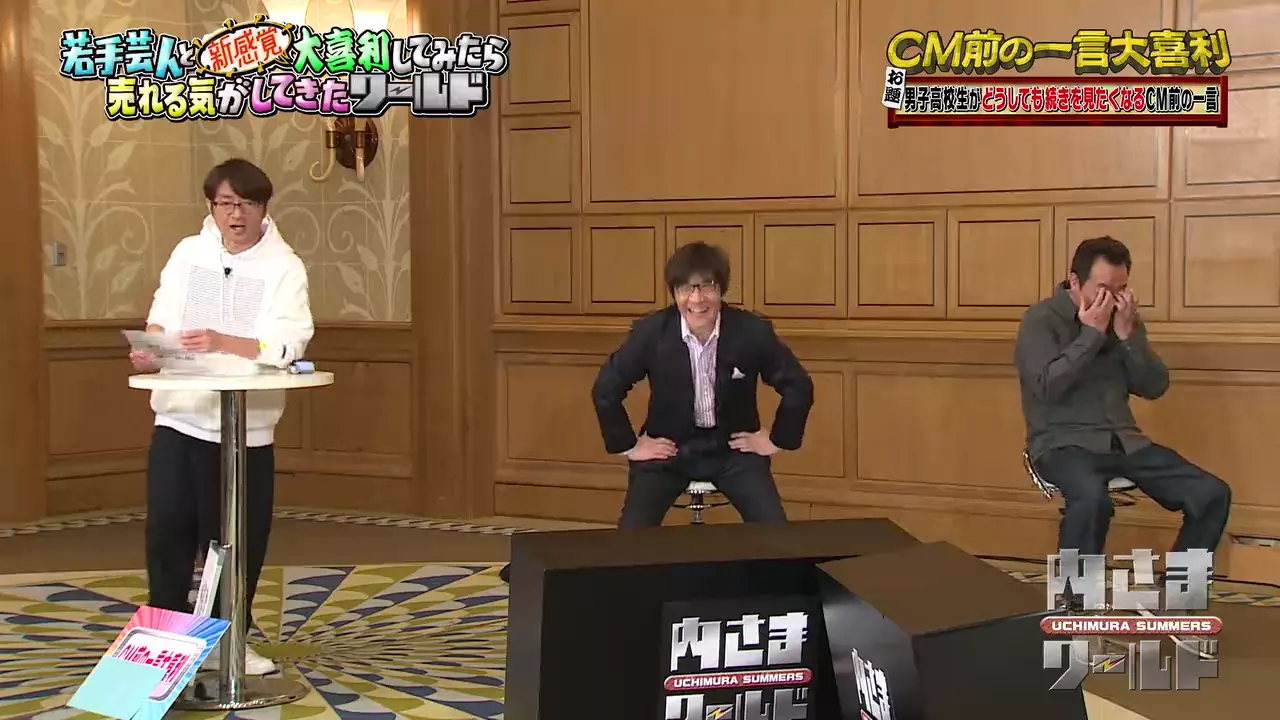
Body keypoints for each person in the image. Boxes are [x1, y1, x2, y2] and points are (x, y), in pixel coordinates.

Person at [130, 158, 314, 675]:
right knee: (167, 535)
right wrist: (150, 348)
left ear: (263, 208)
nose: (236, 215)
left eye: (247, 204)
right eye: (226, 204)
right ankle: (164, 645)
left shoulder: (285, 267)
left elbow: (288, 345)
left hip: (243, 429)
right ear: (211, 206)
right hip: (179, 418)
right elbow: (161, 315)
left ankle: (228, 639)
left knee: (233, 542)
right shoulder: (189, 253)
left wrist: (222, 341)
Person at [1015, 236, 1231, 570]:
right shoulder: (1041, 320)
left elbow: (1154, 387)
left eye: (1121, 289)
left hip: (1124, 441)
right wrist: (1091, 335)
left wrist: (1129, 338)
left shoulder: (1123, 319)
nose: (1112, 299)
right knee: (1092, 501)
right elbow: (1046, 388)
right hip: (1061, 443)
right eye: (1102, 288)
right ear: (1075, 281)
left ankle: (1182, 591)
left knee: (1211, 493)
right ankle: (1075, 595)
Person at [592, 241, 815, 528]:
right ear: (674, 293)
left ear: (721, 289)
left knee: (774, 530)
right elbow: (605, 390)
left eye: (707, 286)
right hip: (668, 449)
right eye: (686, 288)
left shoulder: (751, 331)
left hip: (734, 449)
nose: (697, 299)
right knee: (632, 533)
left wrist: (776, 440)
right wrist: (630, 446)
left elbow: (798, 385)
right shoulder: (651, 333)